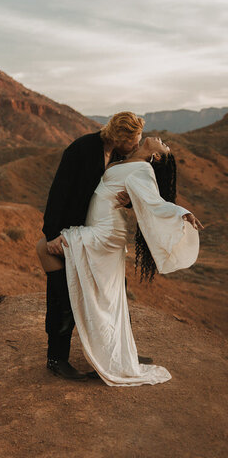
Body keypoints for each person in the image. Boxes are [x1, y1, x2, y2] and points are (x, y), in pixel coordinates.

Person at [59, 136, 202, 386]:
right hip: (100, 223)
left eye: (164, 146)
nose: (161, 140)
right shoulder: (122, 161)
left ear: (156, 157)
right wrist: (128, 200)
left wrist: (182, 212)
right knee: (107, 292)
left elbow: (154, 204)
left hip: (107, 231)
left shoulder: (144, 168)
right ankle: (111, 350)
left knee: (104, 291)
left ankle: (104, 355)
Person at [36, 111, 148, 380]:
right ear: (120, 137)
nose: (137, 144)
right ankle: (56, 358)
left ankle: (123, 353)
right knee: (62, 295)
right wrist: (51, 234)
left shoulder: (120, 156)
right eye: (134, 139)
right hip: (69, 233)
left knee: (114, 293)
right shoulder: (81, 149)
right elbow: (59, 191)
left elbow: (120, 192)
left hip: (97, 236)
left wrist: (128, 201)